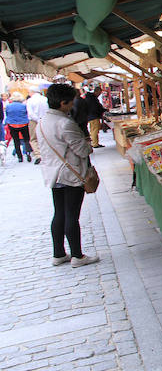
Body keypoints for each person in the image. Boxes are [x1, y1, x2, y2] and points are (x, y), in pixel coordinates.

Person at [37, 84, 100, 267]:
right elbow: (81, 150)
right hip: (70, 174)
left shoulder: (42, 122)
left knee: (59, 213)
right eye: (71, 101)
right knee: (72, 214)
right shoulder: (65, 123)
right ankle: (77, 256)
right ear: (63, 102)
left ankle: (58, 253)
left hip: (53, 173)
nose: (73, 104)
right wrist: (88, 144)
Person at [4, 91, 33, 162]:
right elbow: (27, 114)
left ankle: (20, 157)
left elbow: (7, 114)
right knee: (26, 139)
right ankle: (28, 153)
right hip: (23, 124)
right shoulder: (23, 106)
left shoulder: (8, 106)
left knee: (16, 141)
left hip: (12, 125)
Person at [26, 87, 49, 165]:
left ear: (32, 92)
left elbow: (30, 113)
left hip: (34, 121)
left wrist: (37, 119)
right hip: (45, 119)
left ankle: (38, 155)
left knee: (33, 139)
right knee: (45, 137)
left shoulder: (30, 100)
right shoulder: (45, 99)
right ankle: (46, 153)